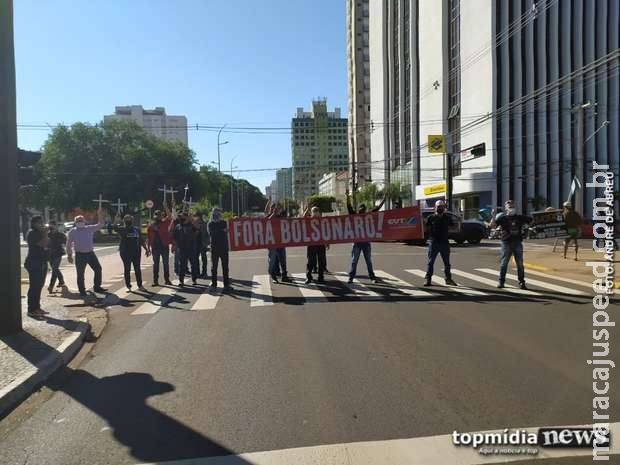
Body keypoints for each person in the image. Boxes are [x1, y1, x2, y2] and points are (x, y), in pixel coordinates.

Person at [346, 189, 386, 283]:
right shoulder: (354, 215)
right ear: (358, 210)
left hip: (366, 243)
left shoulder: (369, 216)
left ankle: (372, 277)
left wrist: (384, 199)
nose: (362, 210)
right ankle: (351, 277)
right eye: (361, 209)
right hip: (357, 243)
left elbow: (377, 209)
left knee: (368, 261)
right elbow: (349, 207)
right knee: (354, 261)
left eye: (364, 209)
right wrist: (347, 196)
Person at [490, 199, 532, 289]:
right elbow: (493, 226)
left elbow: (533, 220)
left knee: (520, 264)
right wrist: (493, 216)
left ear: (515, 207)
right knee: (504, 263)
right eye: (509, 206)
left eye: (512, 206)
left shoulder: (520, 217)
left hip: (517, 242)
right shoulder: (502, 218)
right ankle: (501, 282)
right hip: (506, 243)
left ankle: (521, 282)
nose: (511, 208)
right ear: (506, 208)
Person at [66, 209, 107, 296]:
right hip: (80, 255)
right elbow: (68, 244)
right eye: (78, 221)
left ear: (84, 221)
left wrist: (100, 215)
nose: (80, 222)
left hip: (90, 253)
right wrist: (69, 255)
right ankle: (82, 290)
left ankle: (97, 287)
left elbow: (101, 225)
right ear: (75, 222)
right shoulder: (72, 232)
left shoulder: (89, 228)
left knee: (98, 269)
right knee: (80, 274)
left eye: (81, 220)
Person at [424, 199, 457, 287]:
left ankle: (448, 279)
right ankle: (428, 279)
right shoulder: (431, 217)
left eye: (442, 207)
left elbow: (453, 226)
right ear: (435, 207)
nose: (440, 208)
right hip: (434, 243)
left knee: (447, 263)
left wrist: (457, 223)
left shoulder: (447, 217)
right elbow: (425, 228)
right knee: (430, 262)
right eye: (438, 207)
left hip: (444, 243)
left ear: (444, 207)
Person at [114, 214, 149, 291]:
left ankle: (140, 285)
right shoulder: (122, 229)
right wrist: (116, 220)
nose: (128, 221)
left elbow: (141, 240)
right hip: (125, 252)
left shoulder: (136, 229)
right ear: (124, 221)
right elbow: (115, 228)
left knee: (137, 269)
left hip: (136, 252)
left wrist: (146, 249)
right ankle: (128, 286)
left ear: (132, 220)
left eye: (129, 219)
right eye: (126, 219)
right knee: (127, 269)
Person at [25, 216, 49, 317]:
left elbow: (47, 243)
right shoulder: (32, 233)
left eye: (42, 222)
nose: (42, 224)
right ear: (34, 223)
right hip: (33, 262)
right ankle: (31, 309)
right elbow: (43, 244)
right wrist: (45, 234)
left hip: (41, 262)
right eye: (39, 222)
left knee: (39, 286)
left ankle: (37, 307)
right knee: (34, 286)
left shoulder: (40, 233)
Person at [146, 208, 173, 286]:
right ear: (154, 216)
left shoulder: (164, 223)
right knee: (156, 265)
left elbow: (170, 216)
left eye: (159, 215)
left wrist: (165, 207)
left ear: (161, 216)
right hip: (155, 248)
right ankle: (155, 281)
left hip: (164, 246)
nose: (158, 217)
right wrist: (148, 248)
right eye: (156, 215)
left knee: (165, 264)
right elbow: (149, 238)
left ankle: (167, 280)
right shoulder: (151, 226)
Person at [172, 212, 200, 287]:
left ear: (187, 217)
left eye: (183, 217)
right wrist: (175, 245)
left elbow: (197, 230)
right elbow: (174, 237)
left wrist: (191, 220)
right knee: (182, 266)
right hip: (182, 249)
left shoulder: (191, 225)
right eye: (180, 217)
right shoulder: (178, 226)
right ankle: (181, 281)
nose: (181, 218)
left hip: (191, 248)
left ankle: (194, 280)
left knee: (193, 265)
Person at [208, 208, 232, 291]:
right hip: (214, 248)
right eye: (214, 214)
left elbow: (225, 230)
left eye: (217, 214)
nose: (216, 216)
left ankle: (226, 284)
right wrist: (222, 230)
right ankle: (214, 285)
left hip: (224, 248)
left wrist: (222, 230)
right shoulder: (210, 224)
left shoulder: (224, 222)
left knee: (225, 267)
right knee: (214, 268)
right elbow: (212, 233)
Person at [302, 205, 327, 284]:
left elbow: (326, 232)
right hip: (311, 244)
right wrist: (307, 209)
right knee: (310, 261)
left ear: (319, 213)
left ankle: (321, 277)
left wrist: (327, 242)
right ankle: (308, 277)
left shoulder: (322, 221)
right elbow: (303, 218)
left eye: (317, 211)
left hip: (321, 244)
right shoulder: (309, 220)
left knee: (321, 261)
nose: (315, 213)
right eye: (314, 211)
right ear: (311, 213)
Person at [267, 202, 291, 284]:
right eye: (275, 208)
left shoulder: (281, 217)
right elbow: (267, 222)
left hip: (281, 242)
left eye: (278, 208)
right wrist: (273, 214)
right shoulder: (269, 216)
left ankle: (284, 276)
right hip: (272, 243)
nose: (277, 210)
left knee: (283, 260)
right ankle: (273, 277)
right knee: (272, 261)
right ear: (272, 209)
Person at [47, 220, 67, 294]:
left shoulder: (61, 234)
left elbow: (66, 242)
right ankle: (61, 281)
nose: (51, 227)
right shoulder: (47, 234)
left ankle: (51, 286)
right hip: (49, 254)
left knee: (54, 269)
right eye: (50, 225)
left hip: (58, 254)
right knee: (55, 269)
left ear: (56, 226)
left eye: (53, 225)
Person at [194, 212, 210, 279]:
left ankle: (204, 272)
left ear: (199, 217)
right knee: (195, 259)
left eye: (196, 216)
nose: (195, 218)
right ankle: (197, 272)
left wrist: (207, 243)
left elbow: (208, 234)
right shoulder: (194, 224)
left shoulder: (205, 224)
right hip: (195, 244)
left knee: (204, 259)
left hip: (203, 244)